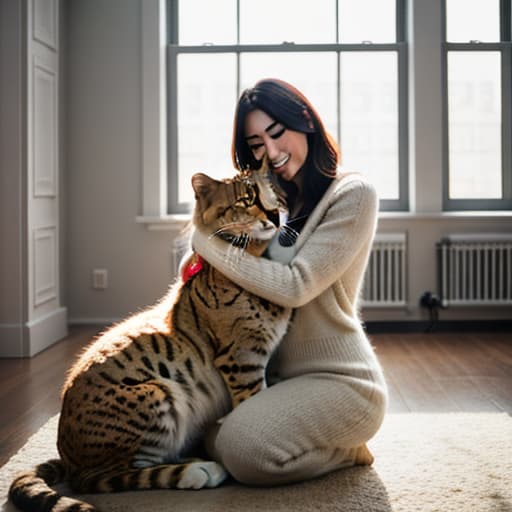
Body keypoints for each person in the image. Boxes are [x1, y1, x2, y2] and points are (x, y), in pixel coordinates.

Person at [191, 78, 388, 486]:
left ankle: (346, 450)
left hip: (340, 380)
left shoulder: (353, 194)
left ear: (306, 122)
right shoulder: (264, 192)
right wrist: (204, 244)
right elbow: (203, 260)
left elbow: (295, 286)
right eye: (257, 143)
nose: (272, 152)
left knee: (244, 454)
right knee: (192, 436)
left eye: (277, 133)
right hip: (271, 376)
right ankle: (262, 430)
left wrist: (203, 242)